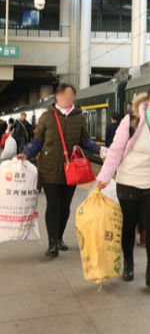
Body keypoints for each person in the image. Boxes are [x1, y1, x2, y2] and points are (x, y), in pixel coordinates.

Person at [96, 87, 150, 288]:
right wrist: (104, 178)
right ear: (148, 101)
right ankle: (128, 263)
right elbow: (116, 151)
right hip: (128, 181)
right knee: (128, 226)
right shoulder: (132, 120)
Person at [17, 83, 106, 258]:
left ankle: (59, 238)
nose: (68, 99)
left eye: (71, 96)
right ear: (57, 97)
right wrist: (26, 154)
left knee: (65, 206)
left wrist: (100, 150)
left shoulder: (79, 117)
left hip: (71, 170)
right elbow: (37, 142)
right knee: (53, 205)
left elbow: (85, 141)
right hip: (49, 168)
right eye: (65, 96)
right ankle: (52, 244)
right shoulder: (47, 117)